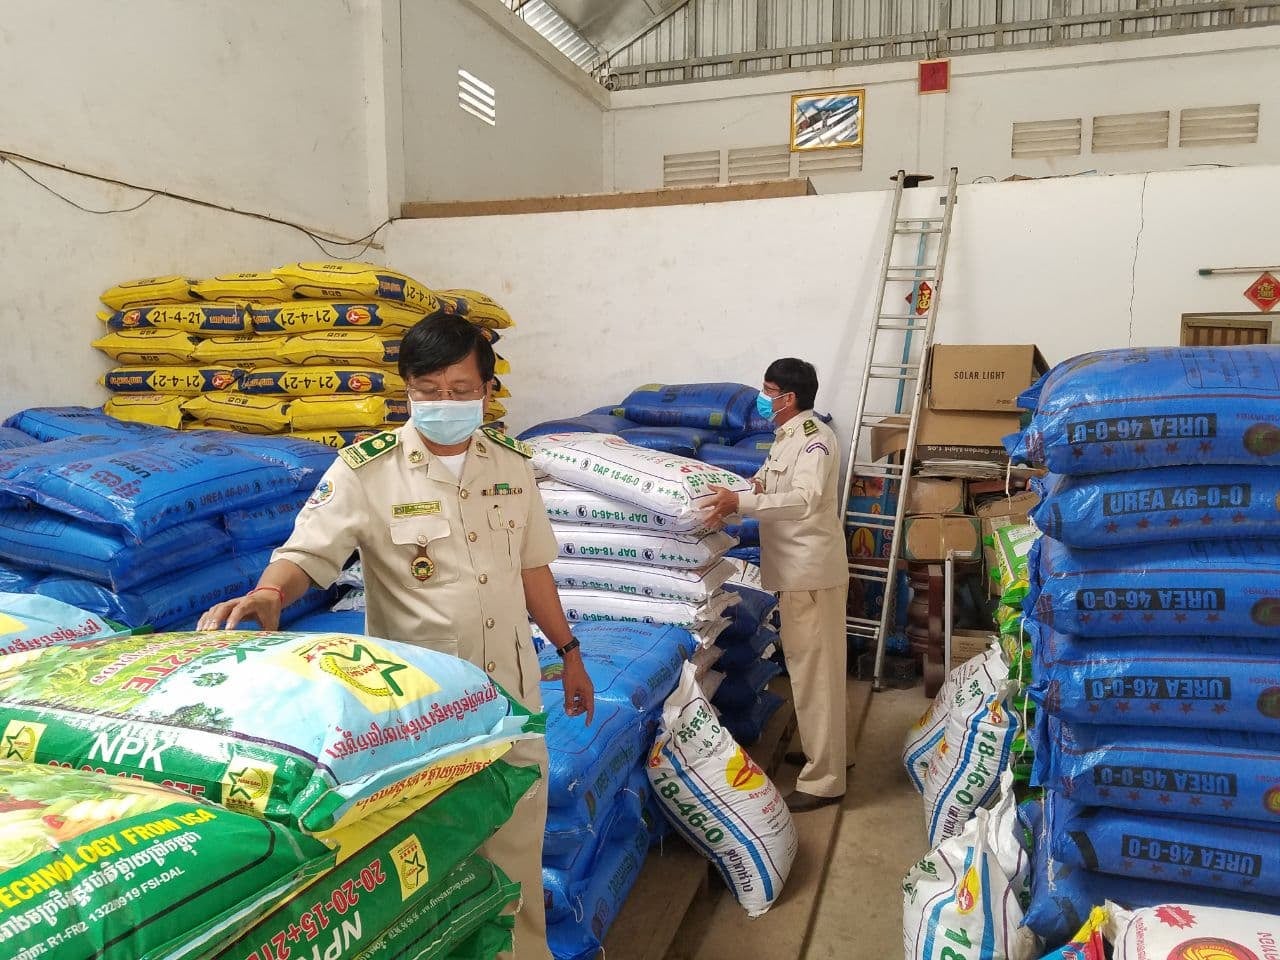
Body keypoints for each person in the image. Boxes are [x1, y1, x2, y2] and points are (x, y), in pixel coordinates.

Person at [200, 314, 594, 960]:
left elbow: (531, 568)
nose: (445, 403)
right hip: (425, 711)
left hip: (512, 697)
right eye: (428, 390)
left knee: (517, 847)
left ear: (487, 390)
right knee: (432, 862)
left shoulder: (511, 466)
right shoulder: (367, 470)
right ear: (407, 388)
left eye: (460, 390)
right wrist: (271, 592)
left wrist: (570, 653)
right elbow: (307, 552)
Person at [702, 358, 848, 813]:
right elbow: (767, 484)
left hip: (811, 575)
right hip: (797, 572)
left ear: (789, 397)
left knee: (814, 674)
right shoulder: (786, 438)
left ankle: (824, 781)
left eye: (768, 391)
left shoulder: (815, 440)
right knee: (816, 672)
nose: (763, 398)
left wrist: (742, 503)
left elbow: (804, 501)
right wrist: (739, 493)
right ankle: (830, 756)